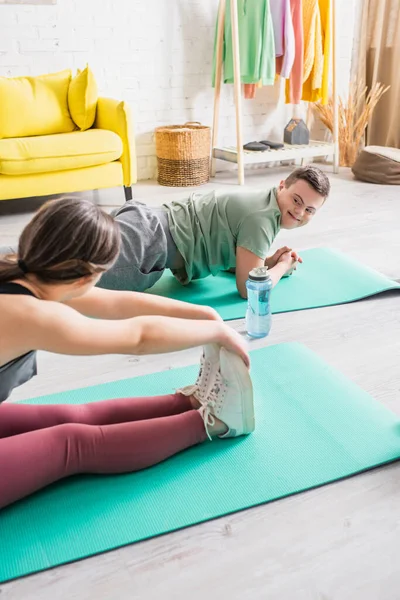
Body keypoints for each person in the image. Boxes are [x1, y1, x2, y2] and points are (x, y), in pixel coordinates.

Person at [0, 197, 254, 510]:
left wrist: (204, 315)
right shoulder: (33, 314)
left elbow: (116, 303)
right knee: (73, 443)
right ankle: (212, 423)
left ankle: (189, 403)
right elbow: (138, 338)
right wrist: (218, 333)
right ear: (83, 277)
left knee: (75, 416)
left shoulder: (20, 267)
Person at [97, 165, 330, 298]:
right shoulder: (262, 219)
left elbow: (229, 255)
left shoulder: (263, 200)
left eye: (310, 209)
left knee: (70, 256)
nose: (300, 212)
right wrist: (281, 267)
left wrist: (267, 263)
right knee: (67, 279)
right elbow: (248, 290)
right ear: (282, 186)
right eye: (296, 200)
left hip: (145, 221)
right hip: (146, 241)